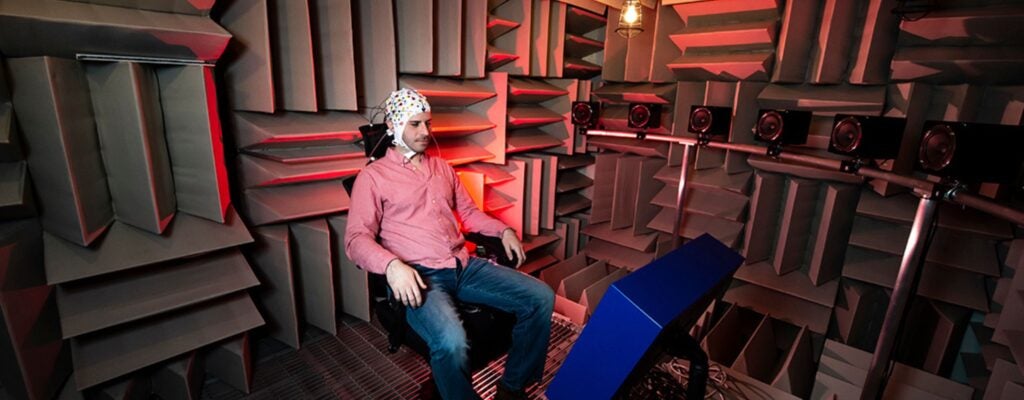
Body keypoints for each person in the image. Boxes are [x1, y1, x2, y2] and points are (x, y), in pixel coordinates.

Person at [345, 88, 556, 400]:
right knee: (451, 342)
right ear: (393, 125)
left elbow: (469, 215)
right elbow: (355, 239)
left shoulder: (443, 169)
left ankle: (511, 389)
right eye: (415, 124)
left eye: (427, 124)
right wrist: (391, 266)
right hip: (418, 277)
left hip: (463, 266)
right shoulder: (373, 177)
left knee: (541, 297)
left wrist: (502, 231)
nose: (425, 132)